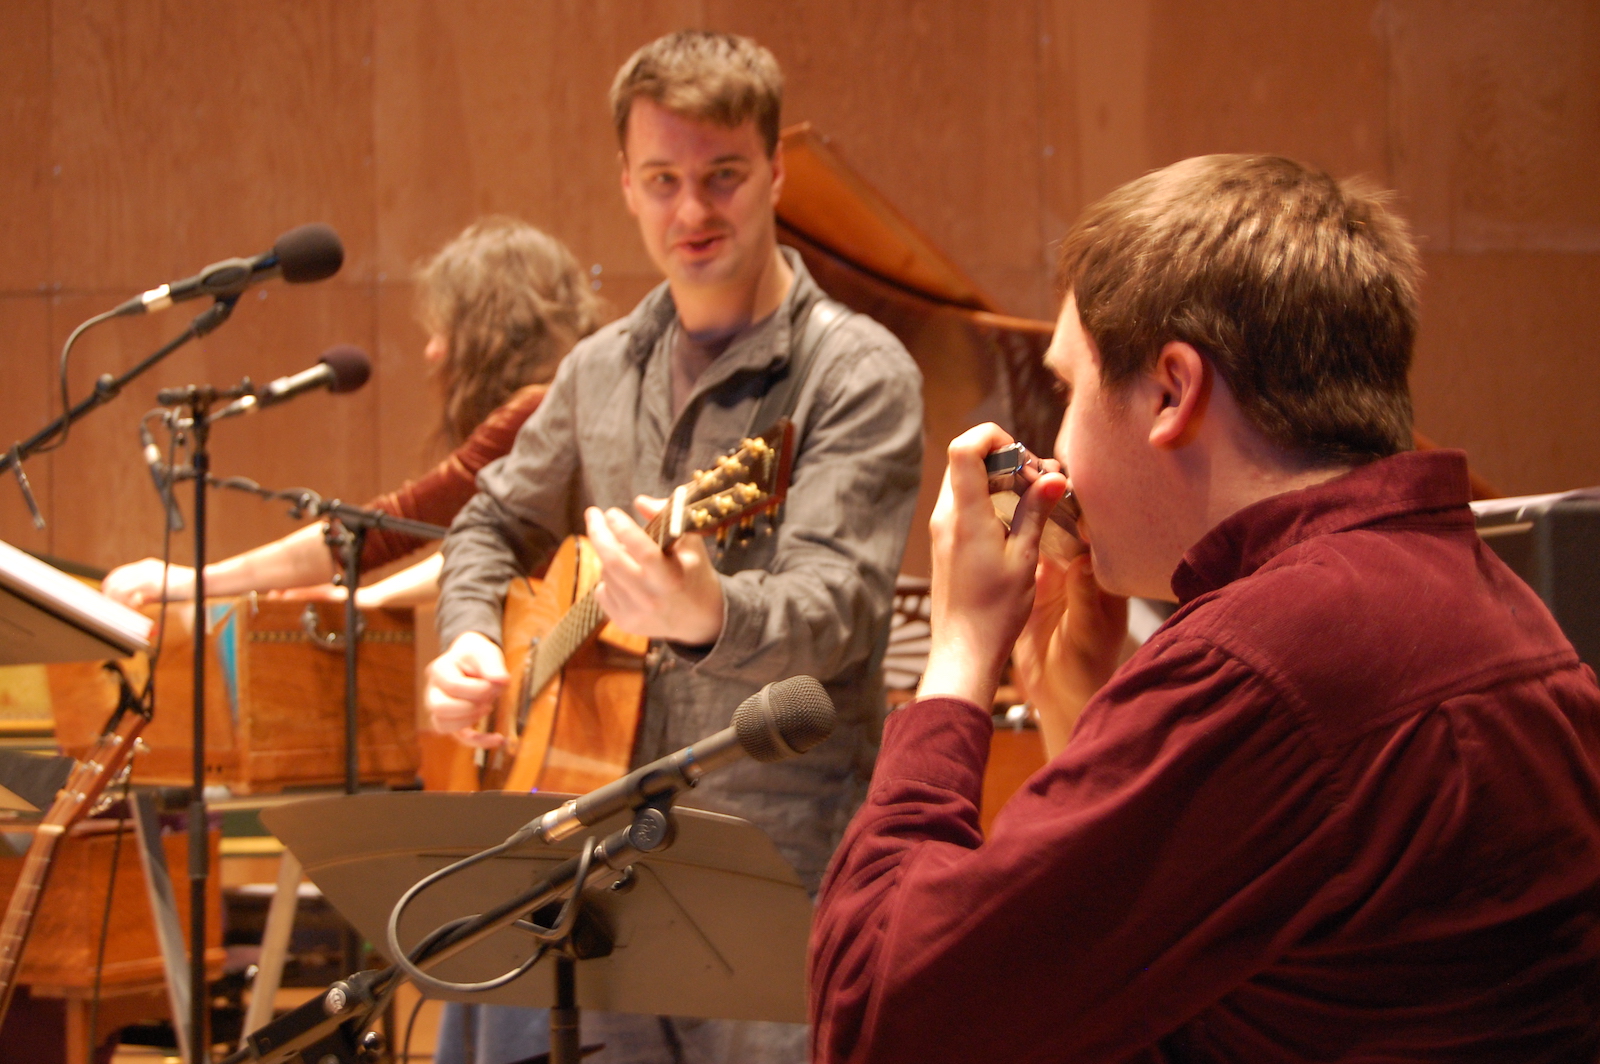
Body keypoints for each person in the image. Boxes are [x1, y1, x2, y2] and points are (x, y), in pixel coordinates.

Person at [809, 154, 1600, 1062]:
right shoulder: (1492, 602)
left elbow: (879, 1021)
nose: (1055, 443)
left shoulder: (1262, 662)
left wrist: (956, 658)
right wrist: (1081, 715)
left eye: (1066, 389)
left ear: (1173, 392)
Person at [424, 30, 923, 1064]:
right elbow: (487, 522)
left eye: (722, 175)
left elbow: (837, 607)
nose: (691, 211)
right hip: (597, 852)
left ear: (777, 169)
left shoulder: (854, 372)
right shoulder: (598, 370)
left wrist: (708, 614)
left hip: (773, 861)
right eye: (662, 180)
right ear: (625, 183)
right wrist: (469, 636)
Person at [101, 216, 601, 609]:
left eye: (445, 329)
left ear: (491, 331)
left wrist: (197, 581)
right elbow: (489, 551)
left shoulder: (536, 411)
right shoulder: (565, 401)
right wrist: (369, 598)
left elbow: (384, 528)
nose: (431, 351)